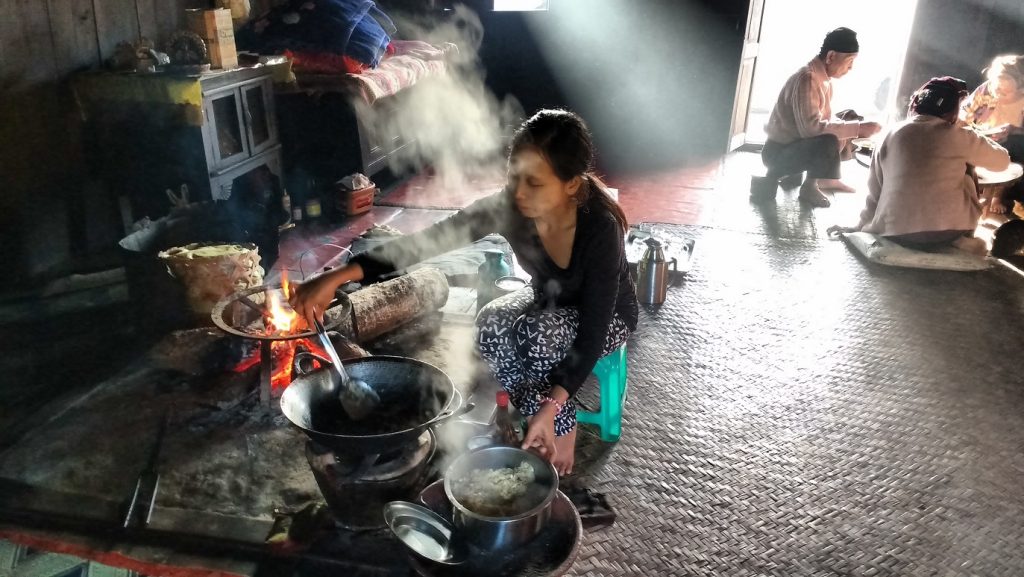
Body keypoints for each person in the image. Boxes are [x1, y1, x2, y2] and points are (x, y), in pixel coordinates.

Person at [289, 109, 639, 476]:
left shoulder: (600, 229)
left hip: (609, 316)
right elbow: (427, 241)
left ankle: (558, 426)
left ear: (571, 184)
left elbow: (593, 330)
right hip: (547, 300)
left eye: (534, 183)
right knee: (491, 324)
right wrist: (338, 276)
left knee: (537, 334)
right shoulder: (510, 206)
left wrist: (555, 408)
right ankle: (534, 415)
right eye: (513, 176)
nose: (518, 193)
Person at [853, 77, 1009, 253]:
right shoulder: (959, 135)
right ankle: (963, 236)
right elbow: (1002, 162)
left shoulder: (888, 134)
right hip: (949, 232)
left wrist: (861, 225)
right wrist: (976, 134)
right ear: (953, 111)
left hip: (894, 231)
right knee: (968, 171)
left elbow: (875, 190)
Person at [760, 27, 882, 207]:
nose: (851, 68)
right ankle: (810, 187)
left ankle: (826, 178)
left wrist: (855, 125)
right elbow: (811, 129)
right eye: (849, 61)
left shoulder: (823, 79)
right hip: (777, 153)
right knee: (829, 140)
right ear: (831, 56)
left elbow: (824, 120)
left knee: (849, 117)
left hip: (793, 146)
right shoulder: (807, 78)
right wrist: (859, 128)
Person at [959, 54, 1024, 213]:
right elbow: (964, 113)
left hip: (1010, 140)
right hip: (983, 134)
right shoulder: (986, 90)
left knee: (1009, 156)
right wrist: (972, 126)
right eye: (997, 88)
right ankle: (975, 197)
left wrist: (1013, 129)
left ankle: (997, 197)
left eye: (1006, 92)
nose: (999, 94)